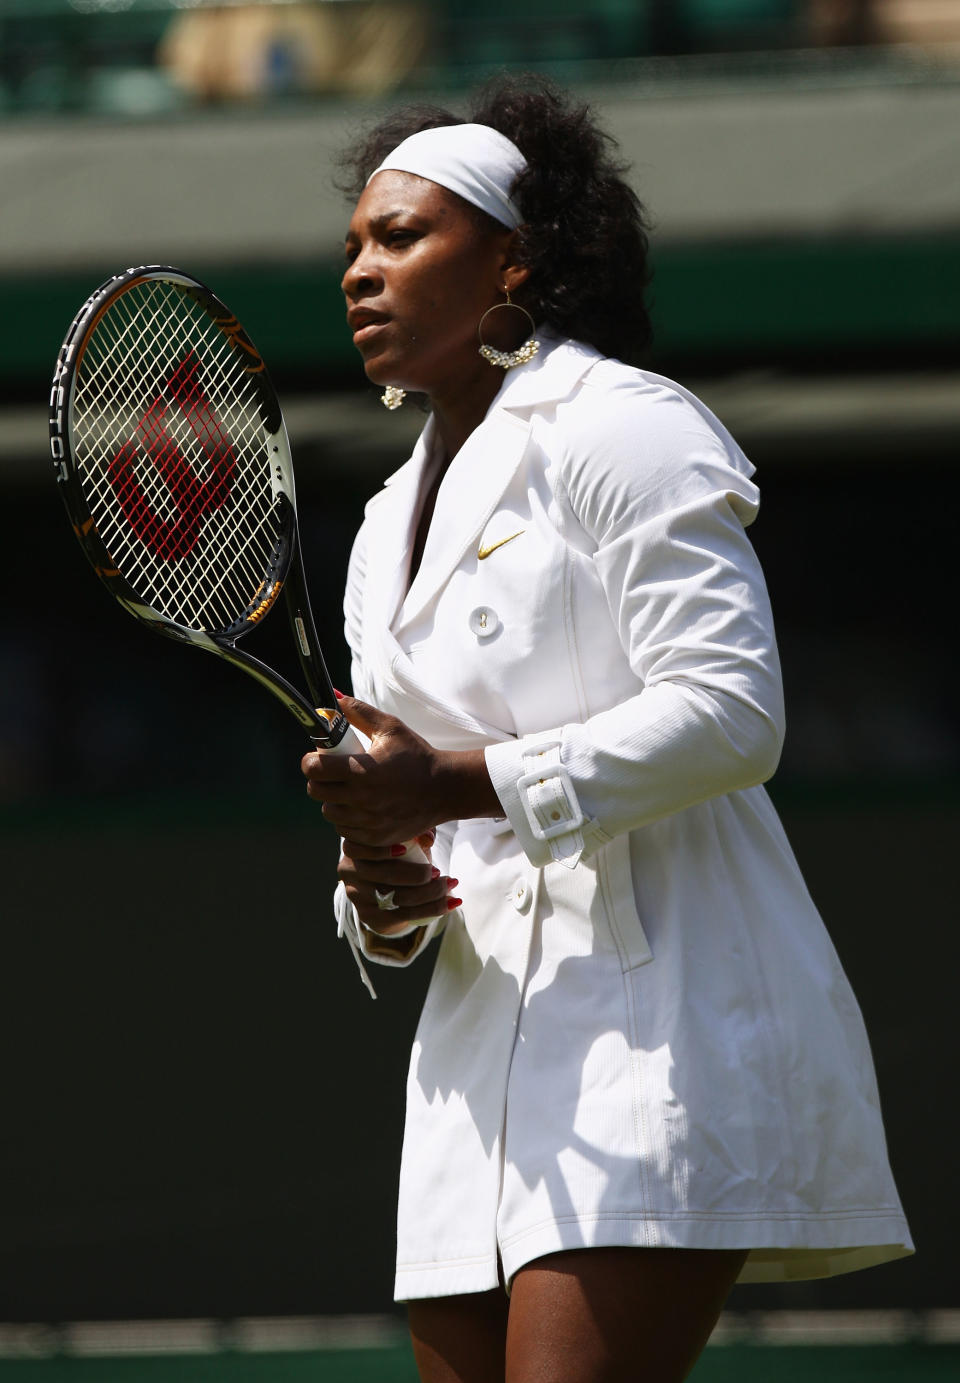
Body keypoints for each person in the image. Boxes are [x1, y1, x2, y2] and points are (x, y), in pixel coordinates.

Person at [300, 76, 912, 1383]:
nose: (361, 269)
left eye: (401, 237)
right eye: (352, 244)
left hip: (657, 1029)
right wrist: (383, 884)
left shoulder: (626, 427)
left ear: (515, 256)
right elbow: (416, 849)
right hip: (476, 1064)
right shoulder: (375, 531)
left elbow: (734, 715)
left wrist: (451, 780)